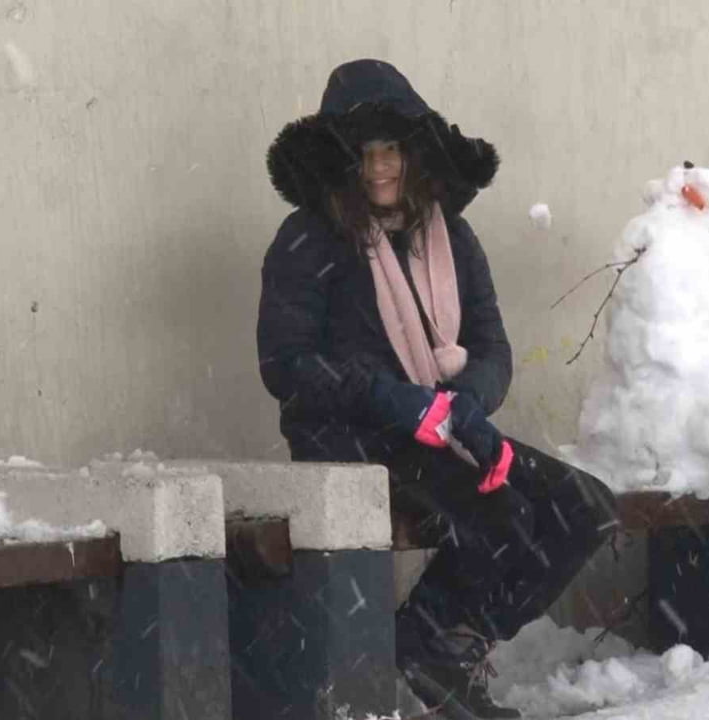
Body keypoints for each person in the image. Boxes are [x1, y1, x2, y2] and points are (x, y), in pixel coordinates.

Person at [259, 59, 618, 719]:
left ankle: (447, 640)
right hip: (349, 436)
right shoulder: (307, 239)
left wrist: (469, 406)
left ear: (414, 153)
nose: (377, 168)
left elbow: (493, 349)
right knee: (504, 518)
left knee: (585, 508)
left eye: (390, 149)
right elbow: (286, 365)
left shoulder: (450, 237)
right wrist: (398, 401)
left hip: (446, 426)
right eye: (362, 153)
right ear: (341, 160)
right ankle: (428, 646)